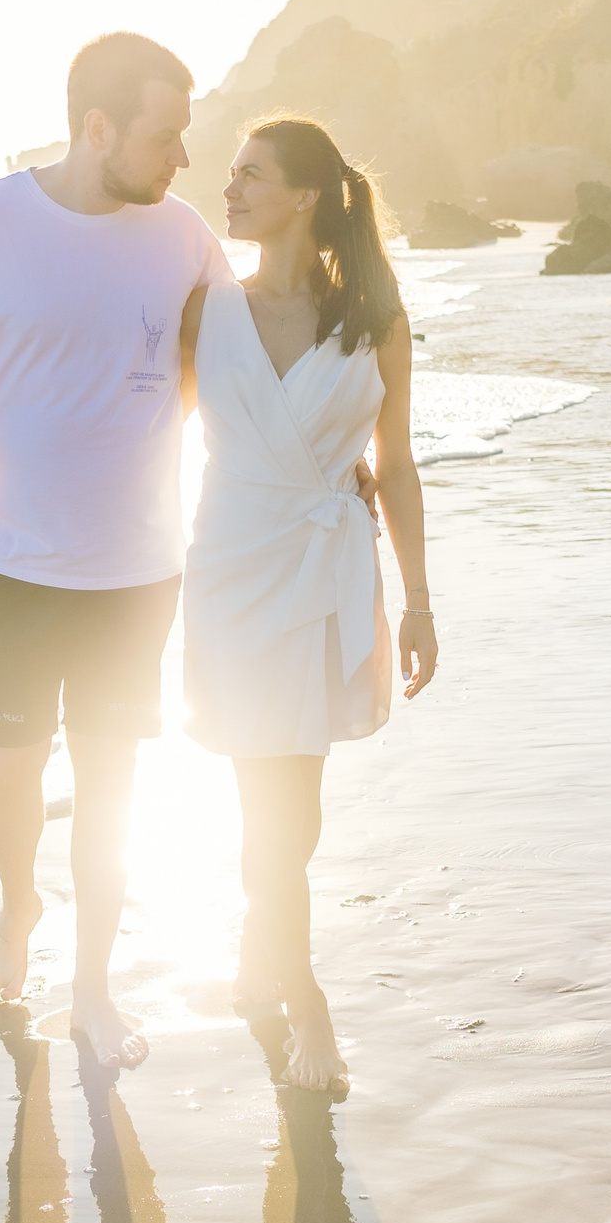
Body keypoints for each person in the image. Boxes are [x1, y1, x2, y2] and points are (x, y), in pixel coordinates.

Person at [0, 32, 234, 1070]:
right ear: (98, 129)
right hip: (0, 571)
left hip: (135, 573)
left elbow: (227, 351)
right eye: (165, 136)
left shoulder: (183, 236)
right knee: (9, 781)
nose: (183, 158)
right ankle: (16, 902)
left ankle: (91, 990)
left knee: (111, 787)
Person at [179, 115, 437, 1098]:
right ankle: (307, 1002)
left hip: (327, 570)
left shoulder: (375, 321)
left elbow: (395, 465)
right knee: (268, 806)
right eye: (230, 173)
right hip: (232, 572)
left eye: (250, 175)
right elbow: (140, 424)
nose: (230, 189)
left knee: (298, 807)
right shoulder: (205, 310)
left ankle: (264, 945)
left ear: (303, 196)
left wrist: (419, 603)